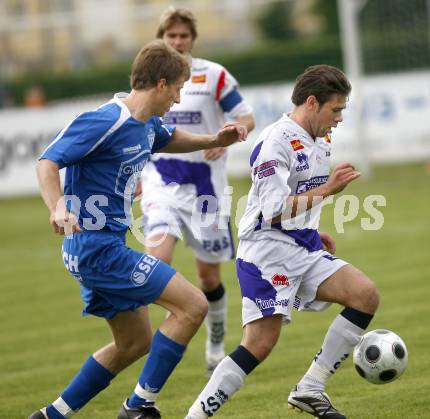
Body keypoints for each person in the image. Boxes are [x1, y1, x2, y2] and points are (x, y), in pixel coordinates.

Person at [29, 40, 247, 419]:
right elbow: (48, 161)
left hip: (101, 247)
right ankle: (138, 406)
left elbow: (168, 138)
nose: (179, 99)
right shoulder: (105, 120)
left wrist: (214, 139)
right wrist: (58, 204)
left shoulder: (146, 125)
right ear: (161, 84)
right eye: (177, 89)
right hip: (96, 248)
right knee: (193, 306)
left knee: (134, 343)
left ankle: (51, 415)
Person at [185, 65, 380, 419]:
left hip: (300, 244)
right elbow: (273, 212)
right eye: (335, 109)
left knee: (364, 295)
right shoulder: (276, 142)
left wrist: (311, 228)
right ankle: (195, 416)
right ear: (311, 103)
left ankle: (310, 388)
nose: (339, 118)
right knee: (259, 344)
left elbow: (295, 197)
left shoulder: (319, 138)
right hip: (266, 251)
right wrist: (329, 190)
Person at [140, 7, 255, 377]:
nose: (177, 42)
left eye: (183, 36)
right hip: (163, 180)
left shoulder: (214, 75)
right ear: (162, 38)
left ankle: (216, 341)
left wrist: (229, 136)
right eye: (170, 36)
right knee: (156, 260)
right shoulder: (150, 76)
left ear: (192, 39)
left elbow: (246, 117)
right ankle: (166, 331)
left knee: (209, 277)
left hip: (206, 186)